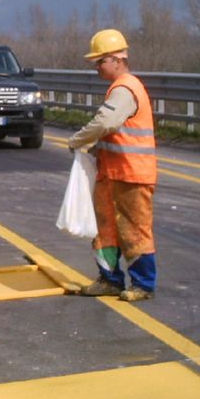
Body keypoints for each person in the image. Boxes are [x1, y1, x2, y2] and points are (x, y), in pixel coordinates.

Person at [67, 29, 158, 302]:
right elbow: (113, 133)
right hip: (112, 173)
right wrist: (94, 148)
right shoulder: (118, 88)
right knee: (105, 229)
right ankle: (110, 279)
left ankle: (143, 285)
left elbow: (106, 123)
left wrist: (77, 139)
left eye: (100, 61)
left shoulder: (125, 88)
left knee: (134, 230)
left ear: (117, 59)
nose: (97, 67)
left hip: (131, 173)